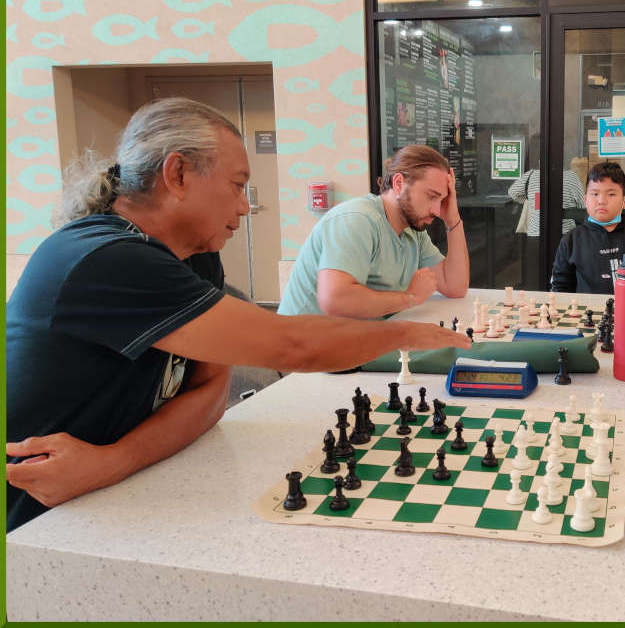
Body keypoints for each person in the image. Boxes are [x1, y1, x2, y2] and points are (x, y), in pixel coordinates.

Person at [6, 98, 469, 532]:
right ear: (178, 174)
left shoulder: (195, 256)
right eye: (238, 185)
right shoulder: (109, 258)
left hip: (109, 497)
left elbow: (210, 395)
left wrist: (114, 460)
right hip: (35, 516)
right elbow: (293, 345)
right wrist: (407, 331)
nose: (246, 206)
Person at [278, 145, 469, 319]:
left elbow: (455, 286)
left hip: (346, 344)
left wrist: (452, 219)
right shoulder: (358, 219)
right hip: (303, 349)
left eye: (442, 200)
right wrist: (410, 297)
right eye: (431, 197)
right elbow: (335, 300)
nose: (436, 210)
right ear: (399, 183)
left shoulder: (413, 230)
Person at [549, 161, 625, 295]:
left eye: (611, 194)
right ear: (585, 200)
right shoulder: (571, 240)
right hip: (591, 313)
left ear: (624, 201)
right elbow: (560, 288)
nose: (601, 200)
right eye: (594, 194)